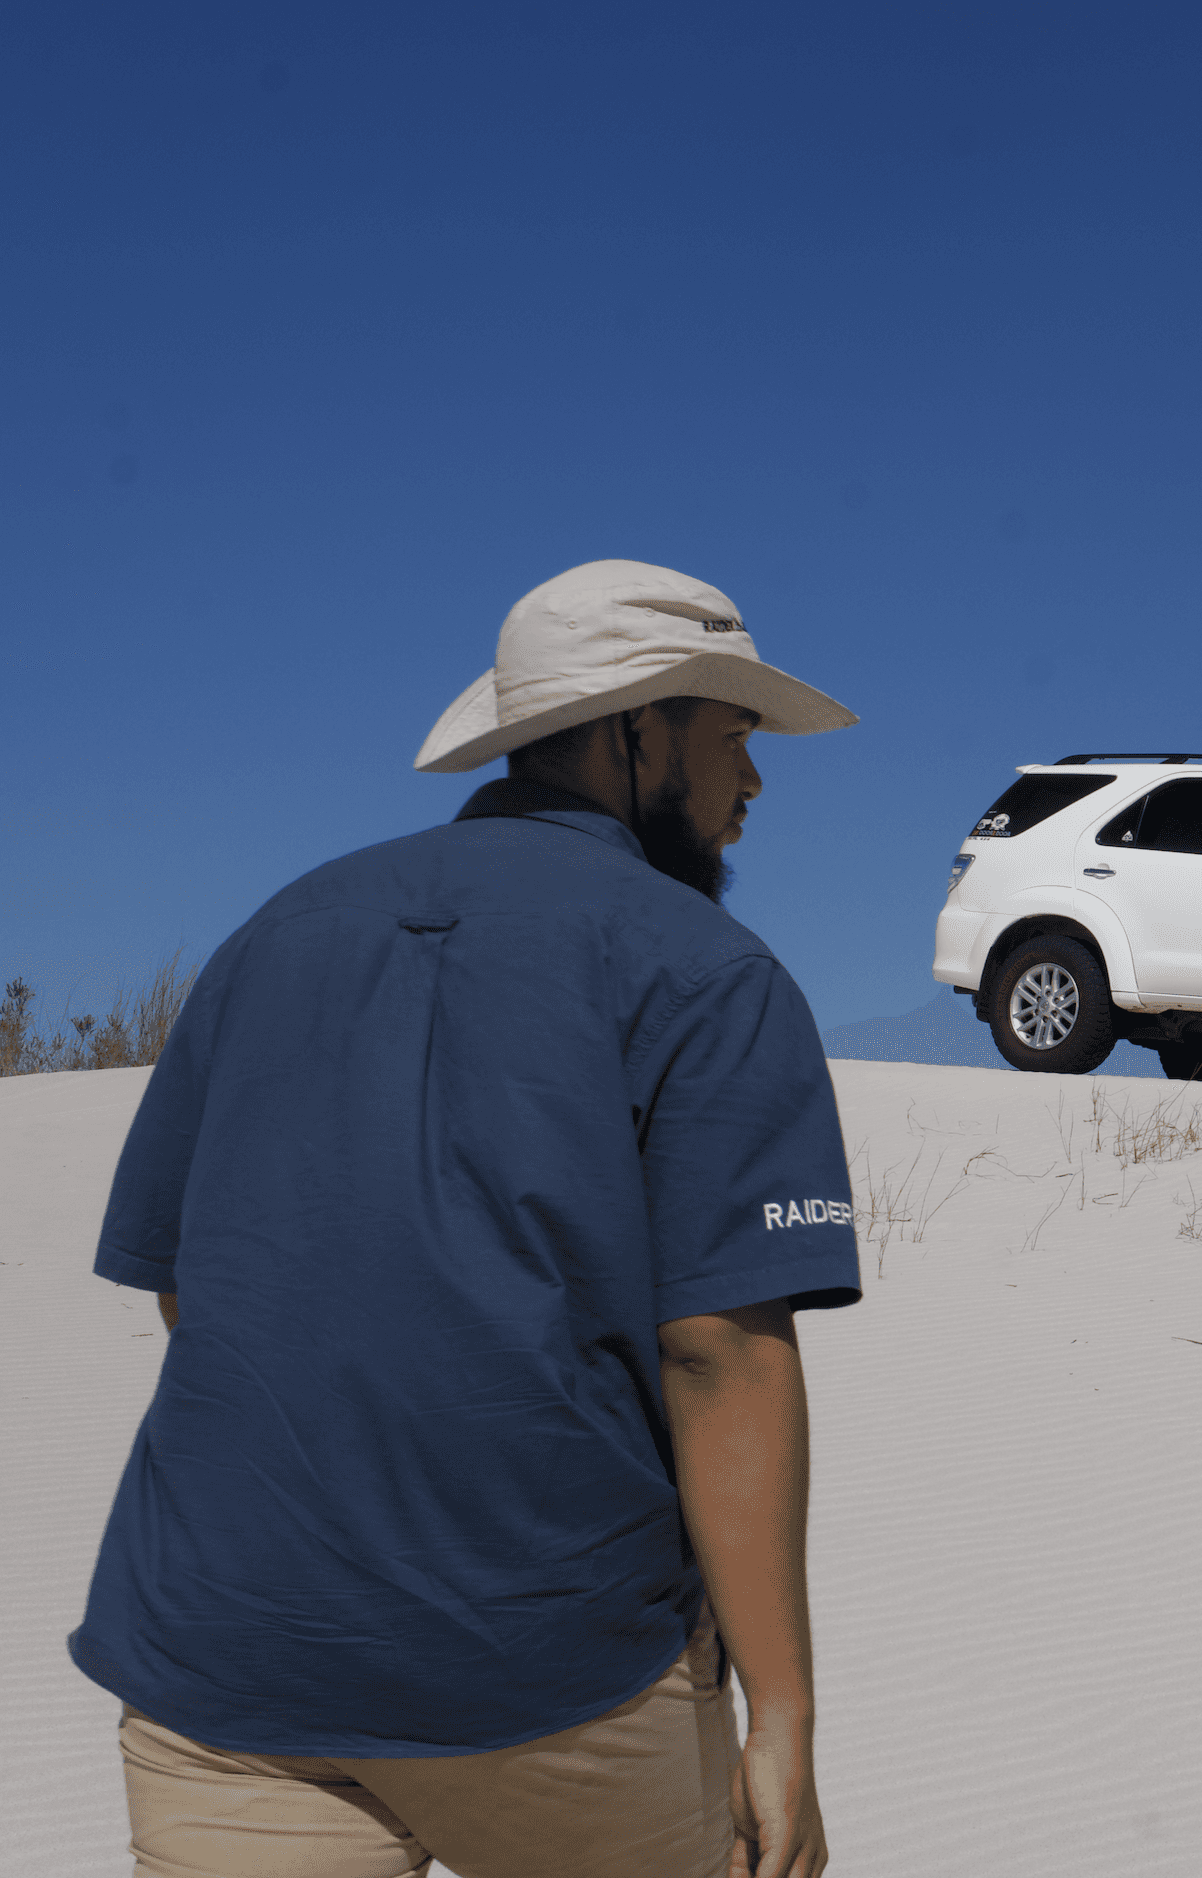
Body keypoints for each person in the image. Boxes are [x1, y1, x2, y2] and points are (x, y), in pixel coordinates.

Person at [70, 560, 862, 1878]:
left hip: (221, 1656)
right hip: (551, 1676)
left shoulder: (273, 935)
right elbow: (719, 1350)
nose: (753, 784)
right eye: (733, 735)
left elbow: (189, 1291)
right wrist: (781, 1711)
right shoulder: (709, 973)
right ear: (631, 732)